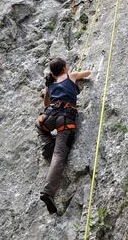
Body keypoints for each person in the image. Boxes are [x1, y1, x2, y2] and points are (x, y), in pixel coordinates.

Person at [35, 57, 91, 214]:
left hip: (48, 117)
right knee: (59, 155)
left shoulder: (50, 84)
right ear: (65, 68)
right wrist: (74, 80)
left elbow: (46, 104)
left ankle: (47, 144)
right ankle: (47, 192)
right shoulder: (71, 76)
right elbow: (88, 73)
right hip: (65, 119)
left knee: (39, 126)